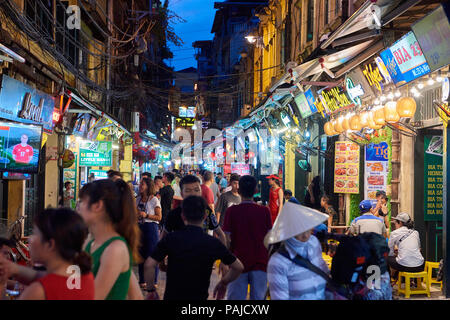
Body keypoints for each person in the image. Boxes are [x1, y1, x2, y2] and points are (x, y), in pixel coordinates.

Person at [144, 196, 244, 300]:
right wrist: (224, 282)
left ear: (183, 216)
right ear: (205, 216)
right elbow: (238, 267)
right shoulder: (212, 243)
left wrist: (151, 290)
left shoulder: (171, 239)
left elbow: (149, 265)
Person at [0, 208, 95, 300]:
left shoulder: (38, 291)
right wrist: (15, 269)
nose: (29, 239)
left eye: (35, 234)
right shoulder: (84, 276)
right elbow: (47, 277)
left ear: (50, 244)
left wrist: (1, 284)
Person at [78, 179, 143, 300]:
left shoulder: (115, 249)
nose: (78, 207)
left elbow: (93, 297)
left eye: (82, 201)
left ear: (98, 206)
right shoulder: (91, 241)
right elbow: (137, 295)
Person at [265, 202, 330, 300]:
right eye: (299, 231)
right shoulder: (277, 262)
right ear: (288, 232)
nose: (306, 236)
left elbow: (323, 271)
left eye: (307, 229)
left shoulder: (313, 243)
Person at [222, 175, 272, 300]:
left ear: (239, 191)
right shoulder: (265, 211)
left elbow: (227, 238)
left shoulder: (231, 211)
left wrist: (224, 261)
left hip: (237, 264)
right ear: (256, 191)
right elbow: (269, 239)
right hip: (260, 263)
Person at [162, 175, 227, 246]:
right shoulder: (174, 214)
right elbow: (163, 237)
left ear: (201, 191)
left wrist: (221, 253)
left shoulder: (207, 210)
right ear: (181, 194)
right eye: (188, 191)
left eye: (196, 190)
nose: (193, 194)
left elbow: (220, 234)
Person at [136, 178, 162, 289]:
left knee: (151, 256)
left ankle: (153, 281)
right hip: (139, 228)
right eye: (140, 184)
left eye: (143, 184)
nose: (140, 185)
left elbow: (159, 217)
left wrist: (146, 215)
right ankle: (142, 280)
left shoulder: (154, 200)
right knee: (140, 256)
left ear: (148, 186)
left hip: (151, 228)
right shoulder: (137, 199)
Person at [387, 212, 425, 279]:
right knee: (403, 259)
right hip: (420, 266)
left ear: (400, 223)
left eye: (395, 222)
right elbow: (419, 249)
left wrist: (396, 253)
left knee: (387, 258)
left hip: (404, 266)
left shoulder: (394, 233)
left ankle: (390, 279)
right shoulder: (415, 232)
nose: (395, 224)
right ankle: (413, 281)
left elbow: (389, 252)